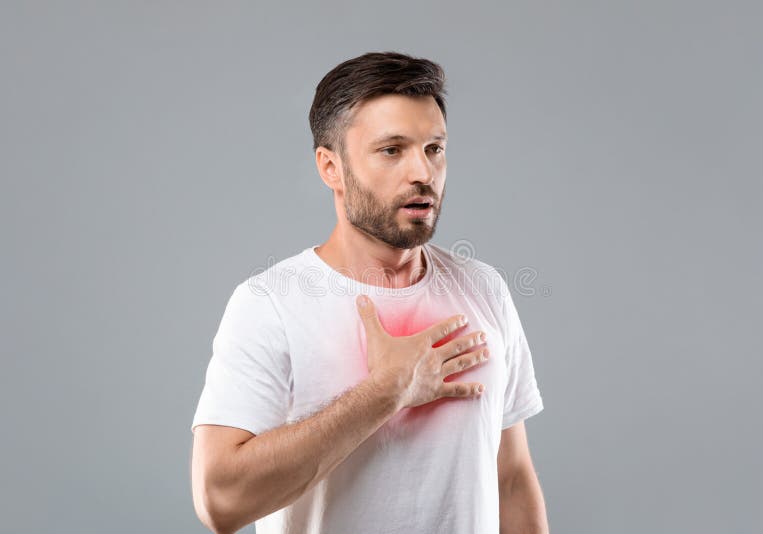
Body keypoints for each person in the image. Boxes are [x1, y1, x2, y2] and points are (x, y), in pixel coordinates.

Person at [190, 51, 549, 534]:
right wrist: (384, 392)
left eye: (434, 148)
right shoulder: (269, 305)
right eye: (392, 150)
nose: (422, 172)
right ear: (330, 167)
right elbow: (221, 502)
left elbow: (511, 480)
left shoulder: (484, 288)